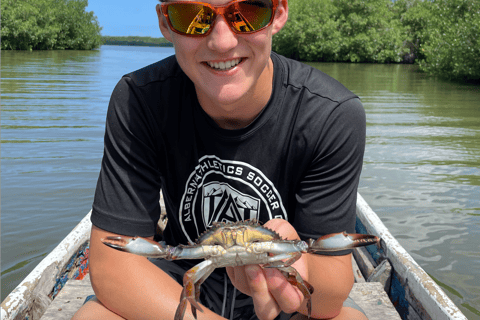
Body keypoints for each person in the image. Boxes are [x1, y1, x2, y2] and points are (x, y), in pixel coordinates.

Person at [73, 0, 367, 319]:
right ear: (166, 22)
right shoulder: (139, 100)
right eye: (192, 17)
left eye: (248, 13)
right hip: (181, 287)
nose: (222, 42)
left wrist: (299, 261)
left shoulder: (330, 113)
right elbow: (111, 267)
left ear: (278, 13)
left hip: (287, 295)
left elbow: (329, 297)